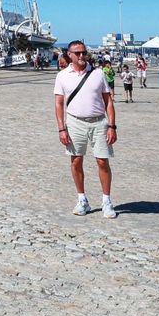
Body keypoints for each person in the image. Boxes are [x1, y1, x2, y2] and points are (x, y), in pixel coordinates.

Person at [53, 40, 119, 218]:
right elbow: (59, 104)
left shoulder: (98, 74)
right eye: (78, 53)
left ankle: (106, 201)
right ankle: (82, 199)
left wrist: (112, 126)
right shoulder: (62, 76)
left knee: (102, 161)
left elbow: (108, 102)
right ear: (69, 55)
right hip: (75, 122)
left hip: (99, 122)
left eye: (84, 52)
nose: (82, 56)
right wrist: (62, 128)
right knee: (76, 161)